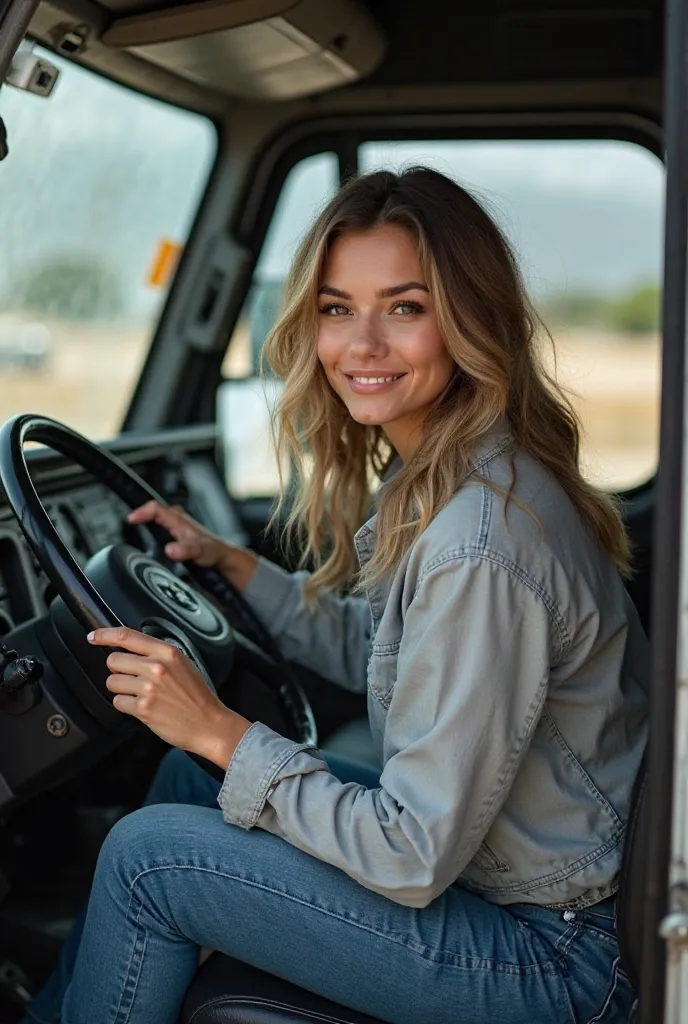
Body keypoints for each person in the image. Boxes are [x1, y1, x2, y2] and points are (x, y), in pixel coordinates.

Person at [23, 167, 647, 1024]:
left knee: (147, 857)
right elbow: (390, 658)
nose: (362, 344)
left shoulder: (481, 543)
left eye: (406, 307)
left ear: (469, 321)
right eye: (336, 307)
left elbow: (412, 854)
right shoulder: (461, 476)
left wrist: (219, 727)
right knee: (185, 776)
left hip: (555, 957)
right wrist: (237, 570)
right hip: (517, 891)